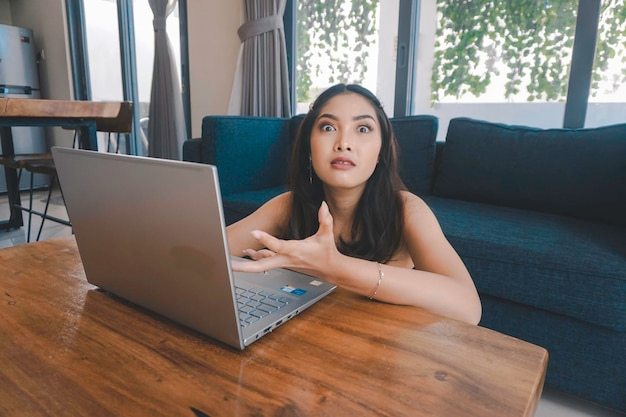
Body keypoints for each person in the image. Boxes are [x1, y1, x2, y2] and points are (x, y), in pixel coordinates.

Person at [227, 84, 481, 325]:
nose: (343, 143)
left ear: (381, 150)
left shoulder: (405, 209)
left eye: (362, 129)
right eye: (328, 127)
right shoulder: (289, 204)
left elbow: (468, 307)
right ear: (308, 147)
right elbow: (207, 250)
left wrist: (332, 267)